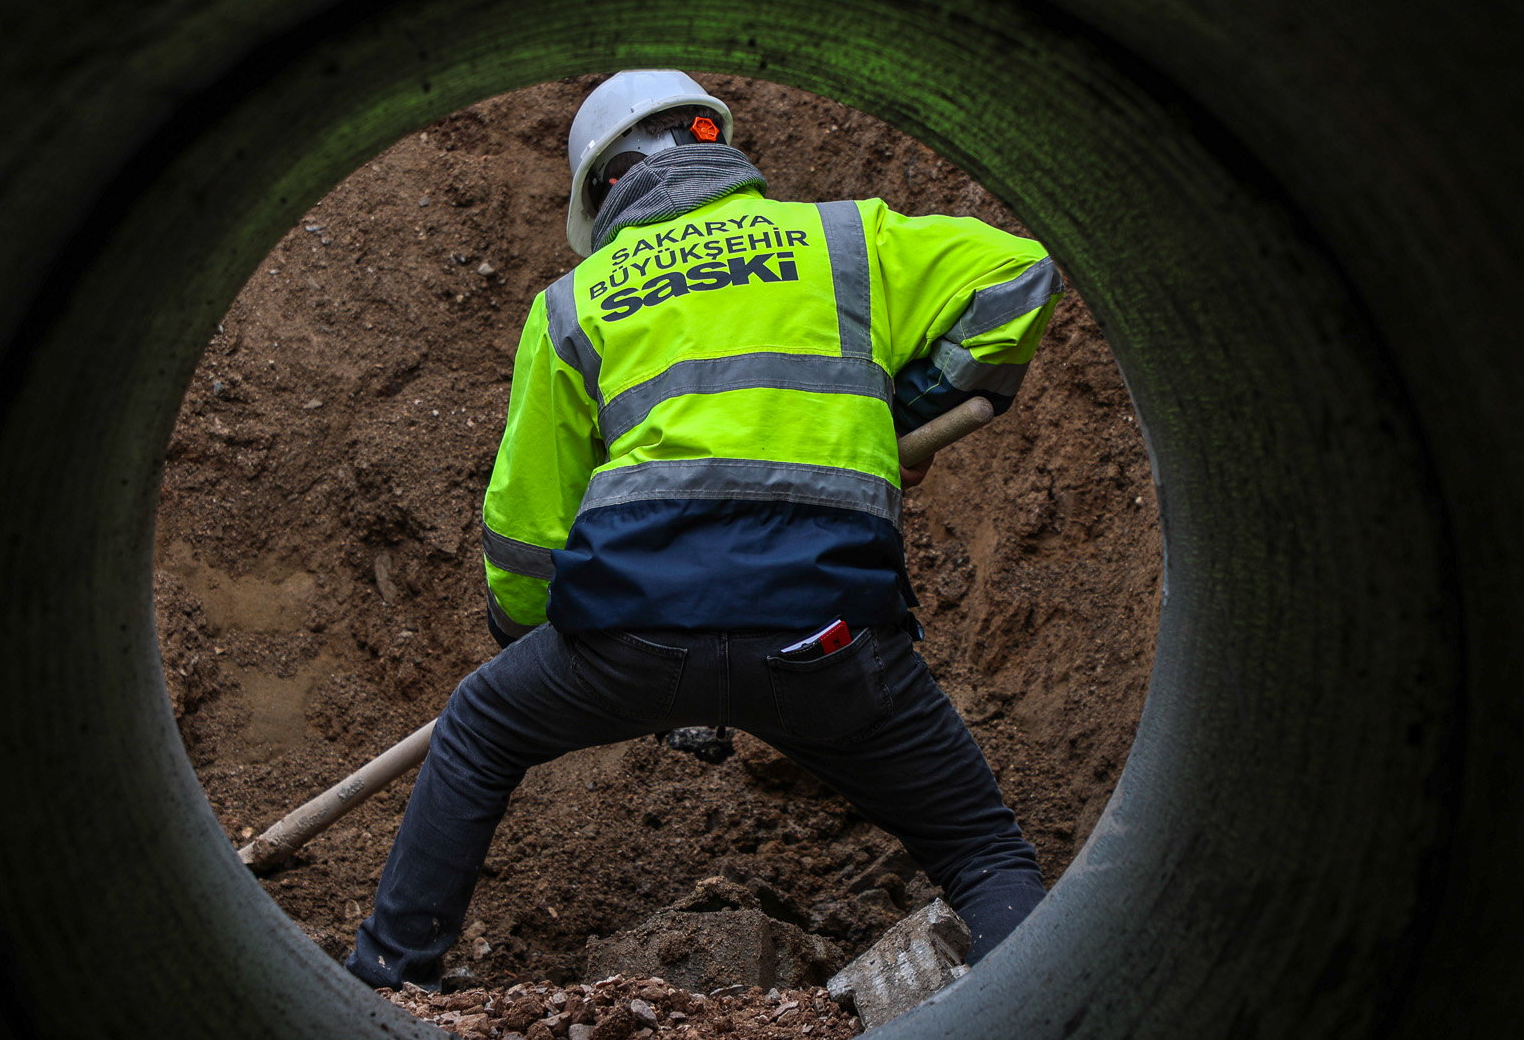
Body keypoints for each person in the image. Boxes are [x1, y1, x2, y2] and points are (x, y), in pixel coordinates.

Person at [344, 71, 1064, 990]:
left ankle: (389, 981)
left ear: (602, 189)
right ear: (715, 145)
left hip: (636, 633)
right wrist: (904, 407)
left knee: (482, 722)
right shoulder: (848, 239)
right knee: (985, 854)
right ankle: (1047, 1036)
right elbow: (1019, 274)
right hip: (832, 636)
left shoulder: (576, 303)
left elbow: (526, 538)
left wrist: (548, 652)